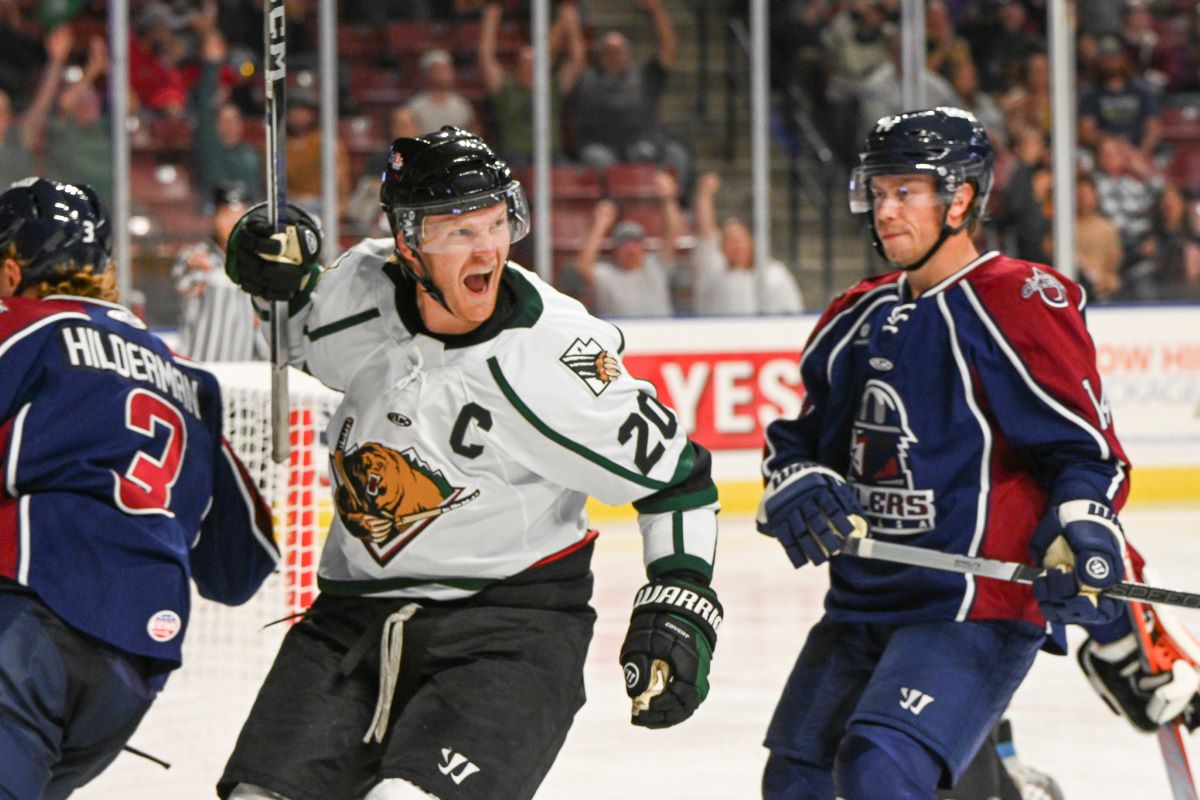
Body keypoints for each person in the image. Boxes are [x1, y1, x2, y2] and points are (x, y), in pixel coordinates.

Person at [216, 126, 722, 800]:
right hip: (352, 620)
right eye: (459, 231)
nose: (488, 248)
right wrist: (273, 276)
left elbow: (678, 481)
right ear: (407, 242)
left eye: (496, 222)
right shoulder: (359, 291)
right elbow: (300, 334)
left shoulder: (556, 360)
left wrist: (682, 599)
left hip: (509, 630)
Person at [756, 107, 1131, 800]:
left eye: (906, 192)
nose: (885, 211)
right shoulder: (854, 314)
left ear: (960, 200)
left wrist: (1079, 527)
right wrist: (798, 478)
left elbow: (1086, 453)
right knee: (794, 782)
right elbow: (801, 442)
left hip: (972, 603)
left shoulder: (1017, 301)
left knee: (877, 768)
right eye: (878, 192)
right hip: (863, 599)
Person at [0, 177, 278, 798]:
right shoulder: (188, 381)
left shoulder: (17, 328)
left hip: (25, 627)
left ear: (12, 271)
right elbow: (240, 567)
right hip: (131, 670)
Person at [683, 171, 804, 316]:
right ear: (722, 247)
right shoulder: (714, 272)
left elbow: (793, 310)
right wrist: (705, 196)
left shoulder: (774, 273)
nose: (737, 245)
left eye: (740, 239)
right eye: (730, 240)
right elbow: (706, 234)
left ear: (751, 242)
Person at [173, 181, 268, 361]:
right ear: (214, 217)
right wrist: (191, 264)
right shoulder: (198, 256)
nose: (232, 222)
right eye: (226, 215)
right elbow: (184, 277)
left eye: (239, 215)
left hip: (245, 368)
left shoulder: (260, 263)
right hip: (202, 365)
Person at [573, 197, 674, 318]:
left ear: (643, 248)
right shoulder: (607, 275)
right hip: (622, 329)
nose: (630, 248)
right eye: (624, 243)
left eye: (635, 242)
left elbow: (673, 233)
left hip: (663, 328)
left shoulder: (656, 265)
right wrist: (601, 223)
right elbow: (582, 266)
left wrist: (668, 199)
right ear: (615, 250)